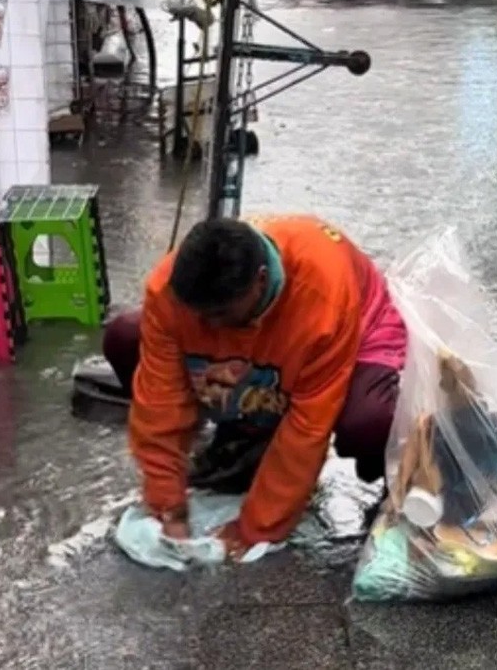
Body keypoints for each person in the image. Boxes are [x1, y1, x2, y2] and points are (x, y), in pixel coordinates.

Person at [102, 215, 407, 559]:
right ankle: (248, 433)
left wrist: (255, 528)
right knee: (125, 336)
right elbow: (160, 402)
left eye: (220, 315)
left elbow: (307, 427)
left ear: (261, 281)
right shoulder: (169, 289)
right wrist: (168, 506)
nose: (208, 329)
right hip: (264, 356)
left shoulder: (322, 298)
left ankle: (395, 479)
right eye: (198, 317)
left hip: (357, 334)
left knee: (369, 420)